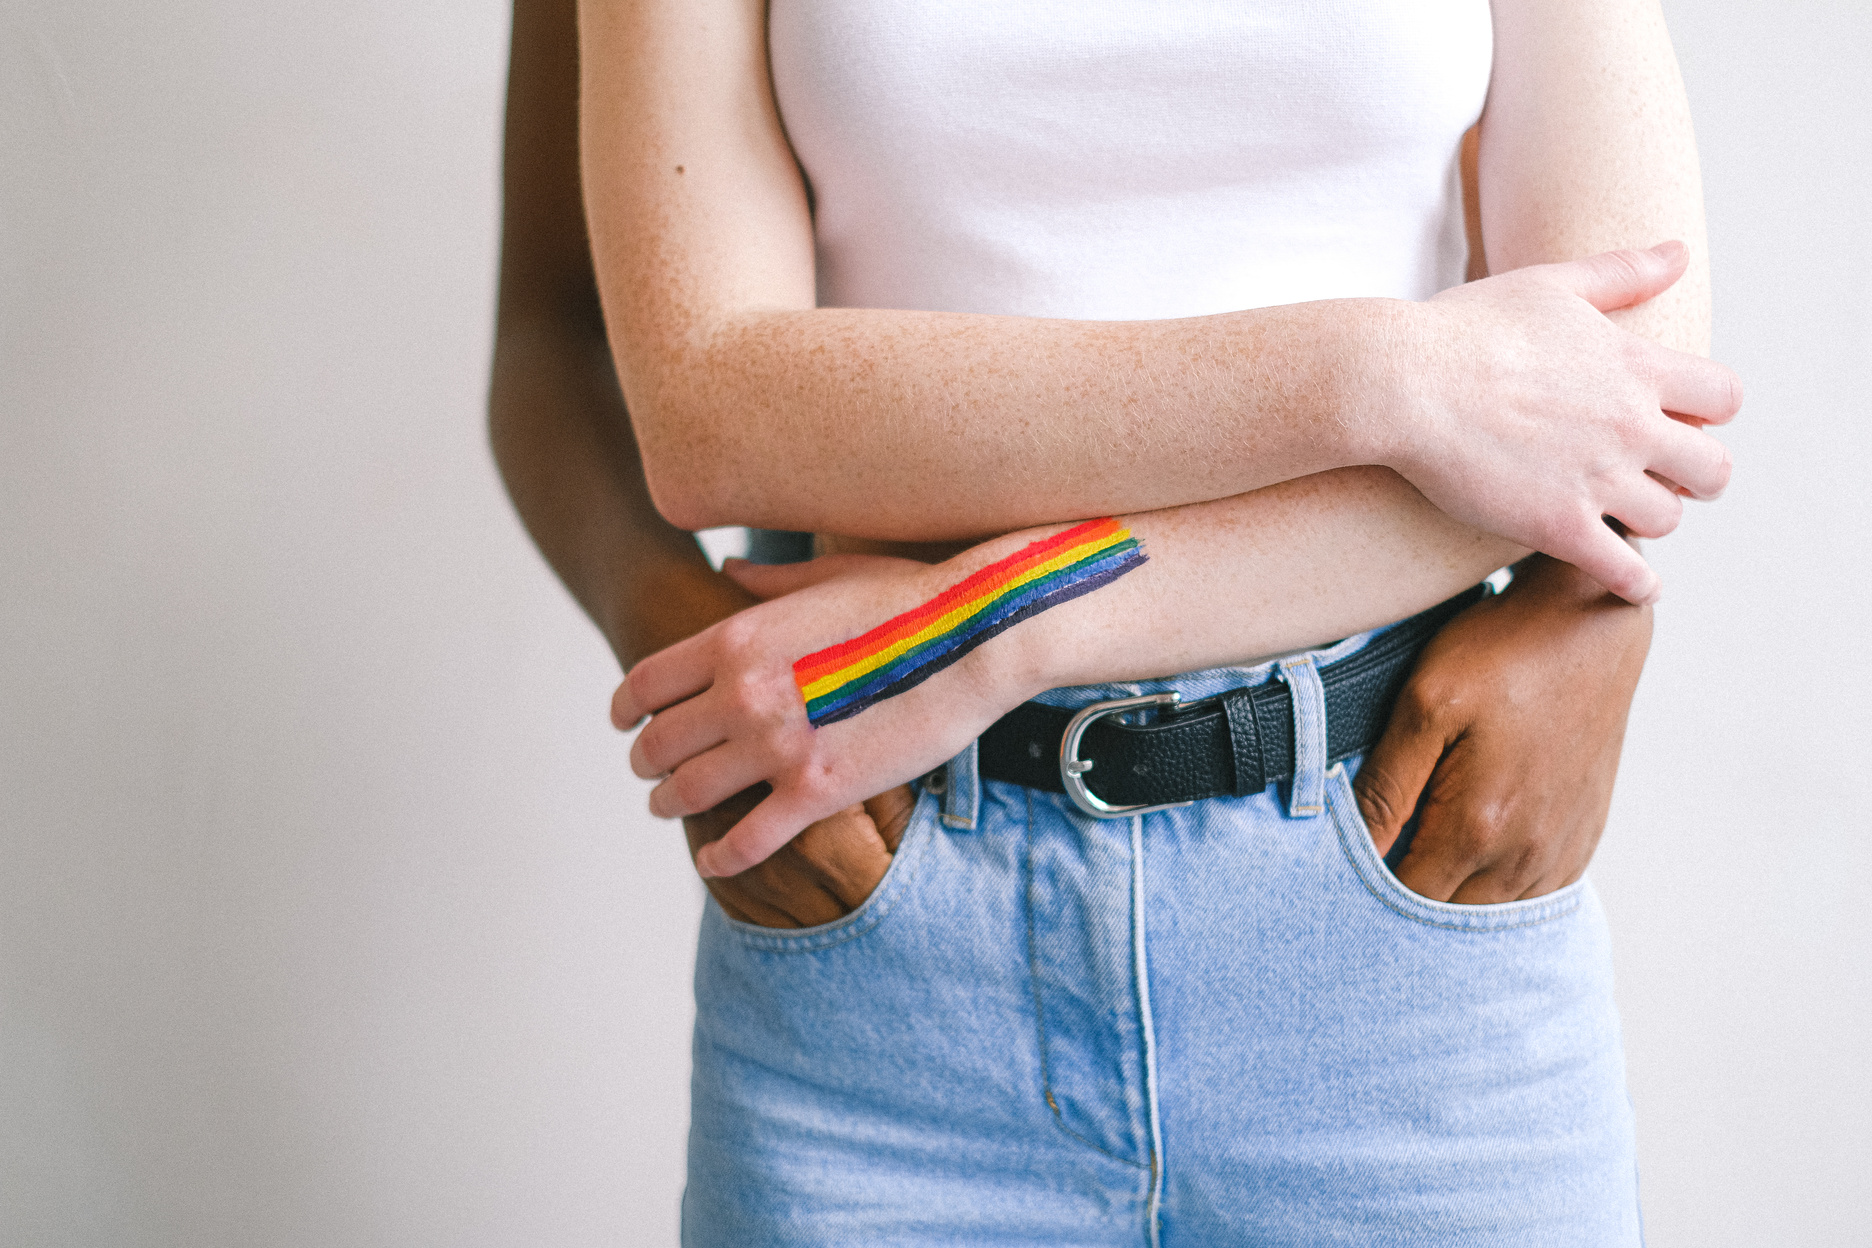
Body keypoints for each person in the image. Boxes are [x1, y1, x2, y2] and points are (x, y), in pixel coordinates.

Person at [493, 0, 1739, 1240]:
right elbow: (711, 412)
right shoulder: (1388, 380)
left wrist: (998, 618)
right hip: (891, 908)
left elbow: (1628, 403)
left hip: (1397, 884)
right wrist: (1386, 377)